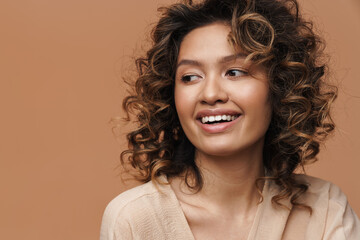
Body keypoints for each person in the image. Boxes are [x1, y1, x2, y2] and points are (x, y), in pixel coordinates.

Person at [100, 0, 360, 239]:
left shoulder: (325, 210)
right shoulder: (134, 220)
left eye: (234, 72)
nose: (210, 94)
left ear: (280, 86)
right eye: (190, 77)